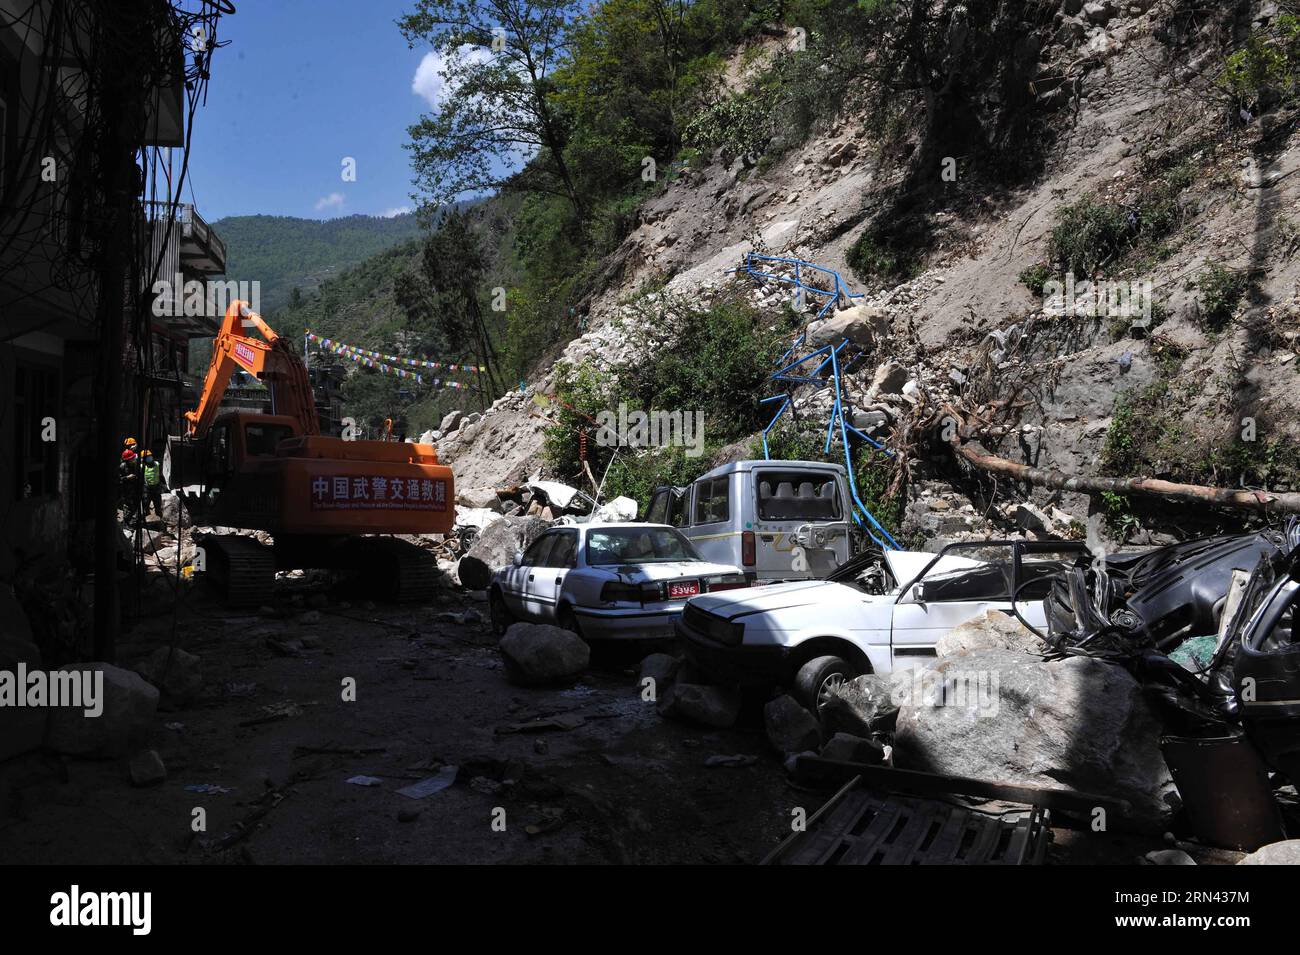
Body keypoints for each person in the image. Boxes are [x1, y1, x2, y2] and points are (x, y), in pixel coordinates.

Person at [140, 449, 167, 525]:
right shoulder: (142, 466)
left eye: (150, 456)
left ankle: (161, 523)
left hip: (156, 488)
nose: (149, 457)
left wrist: (164, 485)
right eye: (147, 456)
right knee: (145, 506)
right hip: (146, 489)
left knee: (158, 507)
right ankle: (145, 523)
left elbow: (161, 475)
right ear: (143, 459)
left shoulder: (157, 464)